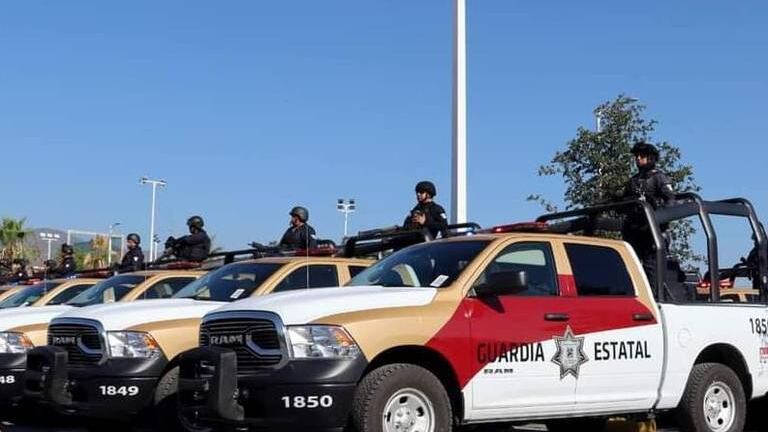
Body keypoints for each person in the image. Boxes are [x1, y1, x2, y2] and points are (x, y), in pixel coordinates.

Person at [620, 142, 676, 296]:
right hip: (634, 231)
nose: (638, 159)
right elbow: (623, 202)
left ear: (651, 158)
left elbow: (670, 201)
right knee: (630, 268)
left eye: (642, 156)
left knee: (653, 271)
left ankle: (655, 299)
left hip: (653, 232)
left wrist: (659, 219)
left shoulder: (659, 177)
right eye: (636, 156)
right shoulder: (633, 181)